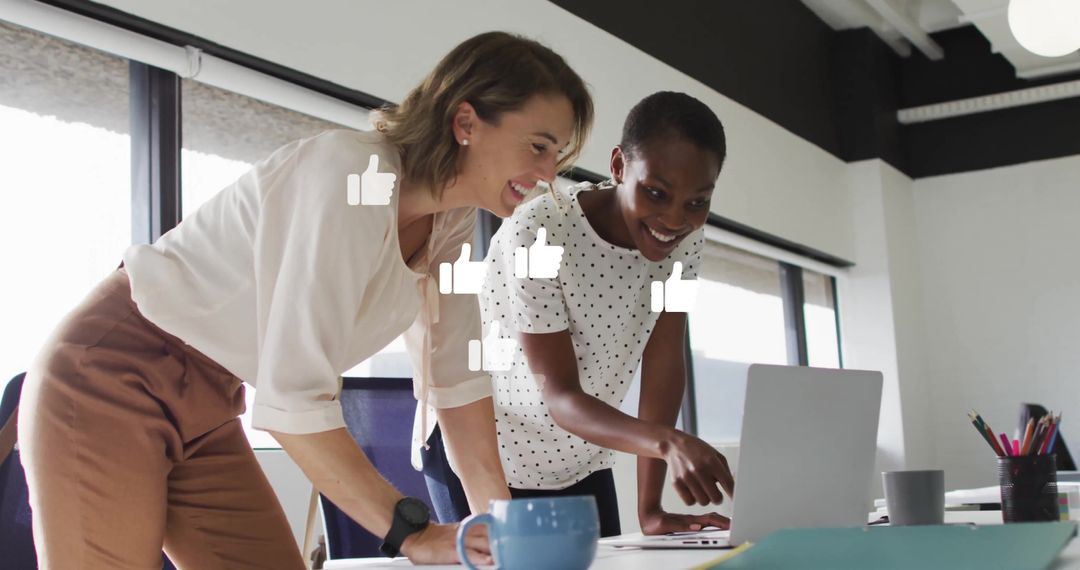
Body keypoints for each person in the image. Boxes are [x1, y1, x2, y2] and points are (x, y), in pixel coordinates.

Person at [18, 31, 592, 569]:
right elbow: (294, 396)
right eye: (538, 147)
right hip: (109, 373)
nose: (547, 175)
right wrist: (412, 533)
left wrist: (505, 531)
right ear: (466, 120)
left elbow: (457, 382)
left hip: (210, 402)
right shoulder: (352, 172)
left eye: (557, 158)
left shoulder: (450, 223)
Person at [423, 91, 733, 538]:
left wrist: (650, 507)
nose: (673, 219)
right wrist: (668, 443)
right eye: (656, 193)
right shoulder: (540, 234)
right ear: (619, 166)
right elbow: (559, 394)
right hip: (488, 454)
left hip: (582, 458)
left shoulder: (686, 243)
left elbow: (664, 361)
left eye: (696, 202)